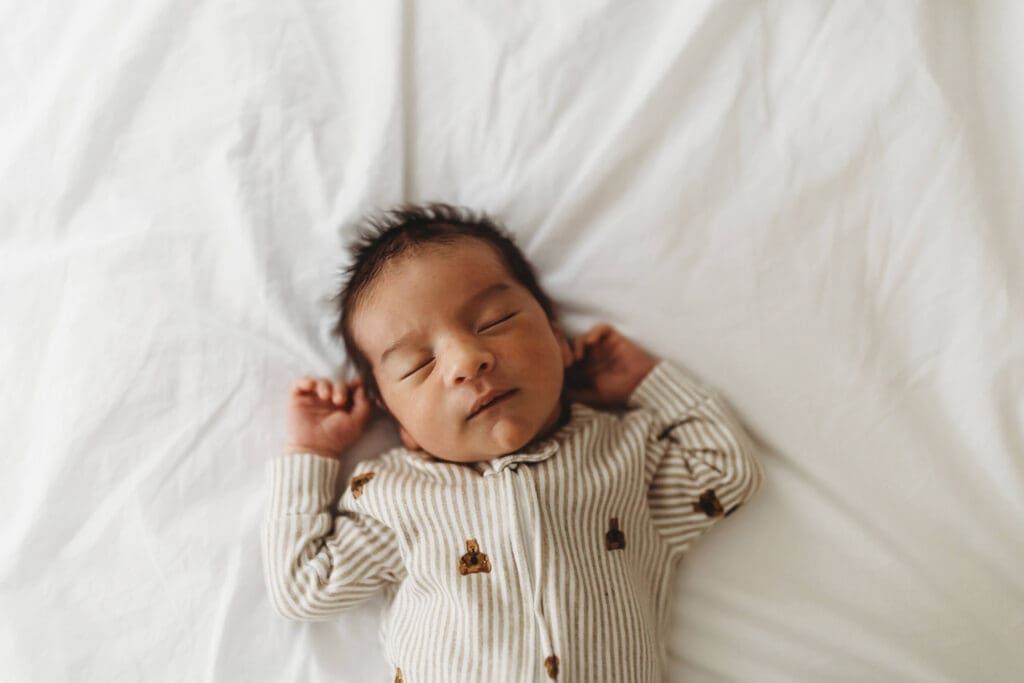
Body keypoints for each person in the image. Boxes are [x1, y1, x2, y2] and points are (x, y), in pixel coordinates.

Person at [261, 203, 764, 682]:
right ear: (397, 422)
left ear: (558, 336)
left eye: (494, 322)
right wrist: (314, 452)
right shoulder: (395, 496)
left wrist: (646, 382)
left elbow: (726, 471)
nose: (466, 361)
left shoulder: (622, 453)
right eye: (419, 364)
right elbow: (304, 585)